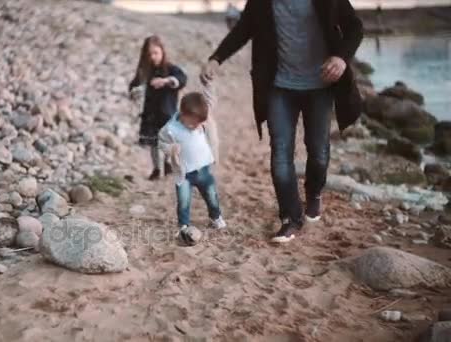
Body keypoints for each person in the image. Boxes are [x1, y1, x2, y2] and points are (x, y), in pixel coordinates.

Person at [201, 0, 363, 243]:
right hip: (279, 87)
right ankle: (290, 218)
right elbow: (244, 29)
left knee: (318, 152)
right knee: (280, 152)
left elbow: (355, 27)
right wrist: (216, 58)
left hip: (320, 86)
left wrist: (341, 58)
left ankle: (314, 192)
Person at [159, 78, 226, 245]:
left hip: (204, 169)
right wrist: (170, 149)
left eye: (199, 124)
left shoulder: (200, 119)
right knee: (184, 200)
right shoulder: (170, 128)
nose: (196, 127)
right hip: (184, 173)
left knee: (211, 196)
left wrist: (209, 84)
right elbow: (161, 142)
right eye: (192, 123)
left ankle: (215, 216)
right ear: (183, 114)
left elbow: (210, 101)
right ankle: (183, 225)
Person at [129, 35, 188, 181]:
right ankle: (157, 168)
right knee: (153, 143)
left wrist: (167, 81)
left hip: (166, 113)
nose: (152, 57)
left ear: (162, 51)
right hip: (150, 114)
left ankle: (167, 163)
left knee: (167, 142)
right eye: (149, 54)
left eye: (155, 53)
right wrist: (135, 91)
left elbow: (182, 79)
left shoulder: (171, 69)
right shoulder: (145, 72)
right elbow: (134, 85)